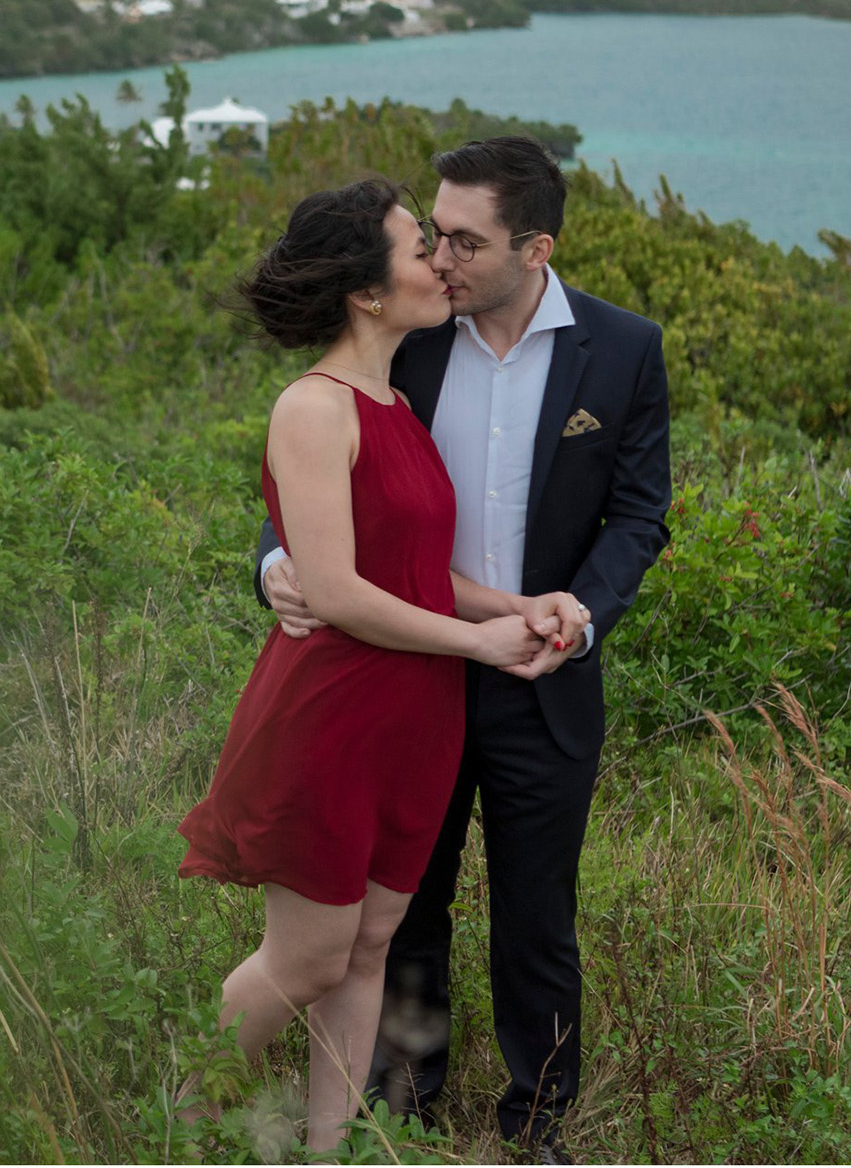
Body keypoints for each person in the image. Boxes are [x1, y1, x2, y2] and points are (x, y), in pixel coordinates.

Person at [255, 137, 673, 1162]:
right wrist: (269, 561)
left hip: (540, 673)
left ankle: (535, 1125)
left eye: (463, 239)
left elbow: (637, 513)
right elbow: (315, 468)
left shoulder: (620, 349)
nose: (439, 256)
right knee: (399, 914)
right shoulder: (413, 334)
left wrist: (575, 612)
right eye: (432, 232)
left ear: (533, 247)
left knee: (538, 915)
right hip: (408, 676)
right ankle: (401, 1098)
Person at [179, 177, 588, 1155]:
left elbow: (416, 574)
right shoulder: (313, 407)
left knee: (367, 950)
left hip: (416, 715)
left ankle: (332, 1146)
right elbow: (334, 588)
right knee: (307, 955)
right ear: (367, 291)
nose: (439, 263)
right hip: (333, 713)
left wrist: (514, 607)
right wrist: (478, 643)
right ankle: (179, 1112)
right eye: (418, 247)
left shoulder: (396, 399)